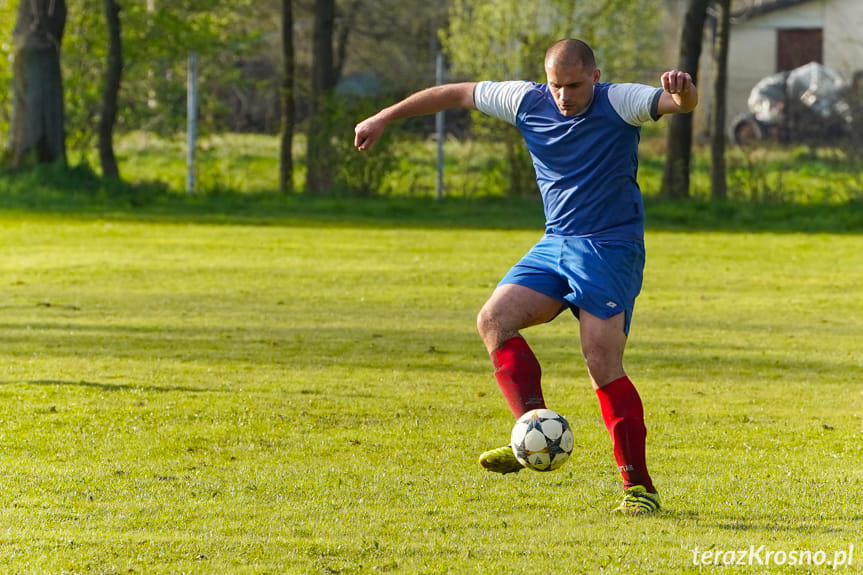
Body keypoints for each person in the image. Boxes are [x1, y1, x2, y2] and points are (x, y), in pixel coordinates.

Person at [354, 38, 697, 515]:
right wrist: (384, 116)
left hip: (610, 248)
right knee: (494, 320)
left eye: (574, 85)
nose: (564, 96)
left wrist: (683, 92)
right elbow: (454, 93)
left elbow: (676, 104)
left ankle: (638, 488)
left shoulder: (619, 101)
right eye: (556, 85)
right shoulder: (525, 100)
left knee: (601, 361)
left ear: (594, 77)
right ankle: (531, 430)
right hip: (555, 242)